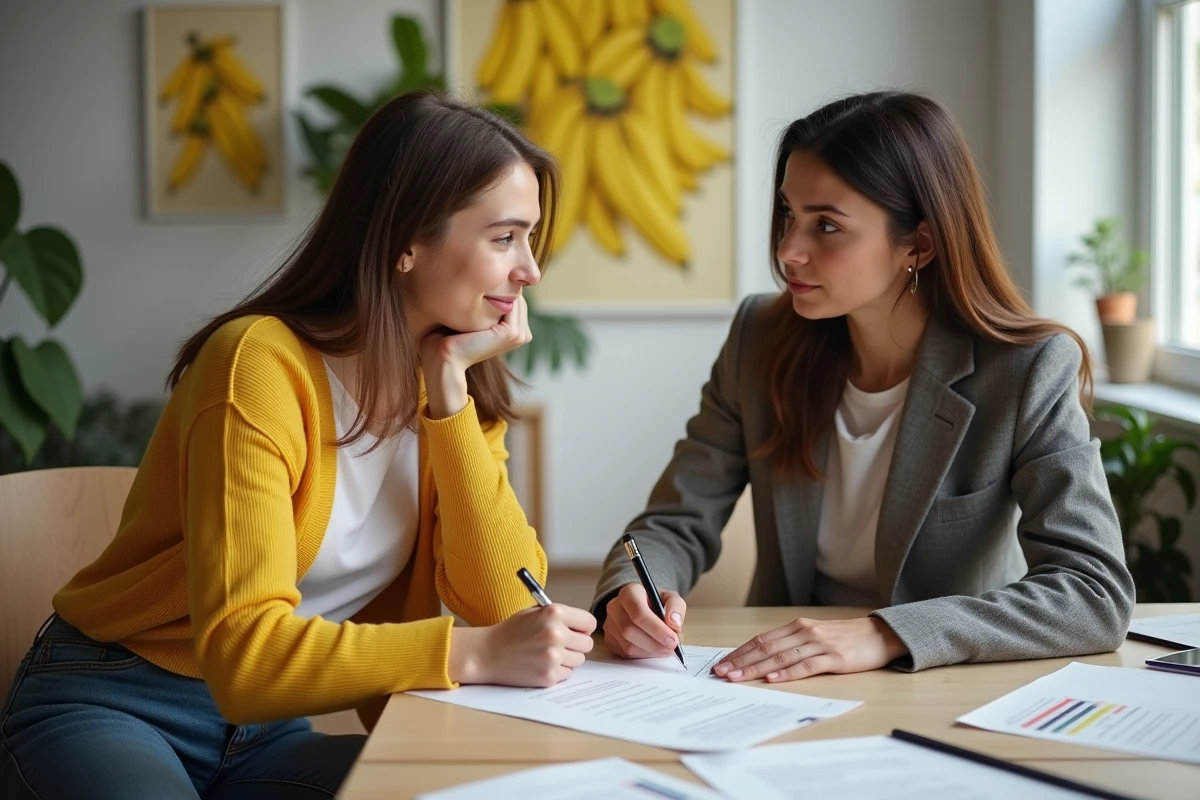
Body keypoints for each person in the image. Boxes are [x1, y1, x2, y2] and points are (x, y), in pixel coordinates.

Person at [0, 91, 596, 800]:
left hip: (266, 734)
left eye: (530, 239)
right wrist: (470, 653)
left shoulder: (454, 385)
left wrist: (449, 395)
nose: (529, 270)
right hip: (117, 702)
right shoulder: (257, 364)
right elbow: (246, 657)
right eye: (505, 238)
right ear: (406, 240)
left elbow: (505, 606)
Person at [595, 91, 1134, 683]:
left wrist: (885, 632)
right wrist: (630, 594)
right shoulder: (759, 337)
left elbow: (1092, 592)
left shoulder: (1027, 367)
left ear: (918, 244)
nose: (787, 251)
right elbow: (675, 521)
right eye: (788, 215)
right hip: (780, 683)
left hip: (942, 685)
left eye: (826, 225)